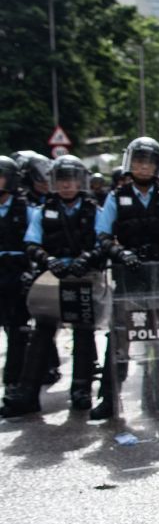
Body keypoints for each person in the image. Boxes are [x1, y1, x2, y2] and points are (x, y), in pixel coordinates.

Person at [92, 136, 159, 420]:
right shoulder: (116, 197)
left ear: (157, 166)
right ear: (130, 164)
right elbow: (102, 235)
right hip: (130, 278)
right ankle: (109, 398)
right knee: (119, 337)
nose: (143, 167)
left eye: (148, 162)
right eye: (138, 161)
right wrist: (120, 253)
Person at [3, 155, 102, 417]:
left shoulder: (93, 210)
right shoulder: (41, 209)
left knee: (83, 332)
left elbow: (102, 241)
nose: (67, 185)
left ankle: (81, 390)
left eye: (71, 180)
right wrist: (49, 260)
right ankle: (27, 394)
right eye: (61, 180)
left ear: (80, 181)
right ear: (54, 182)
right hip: (50, 279)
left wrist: (87, 259)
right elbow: (32, 243)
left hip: (84, 278)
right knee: (41, 334)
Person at [0, 154, 39, 415]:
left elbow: (36, 242)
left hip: (17, 277)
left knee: (18, 333)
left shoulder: (26, 208)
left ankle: (14, 386)